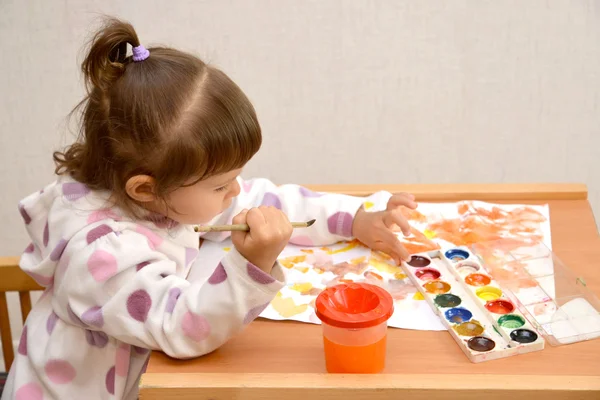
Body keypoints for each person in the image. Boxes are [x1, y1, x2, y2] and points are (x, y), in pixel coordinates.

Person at [2, 17, 416, 400]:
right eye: (220, 184)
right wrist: (250, 267)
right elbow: (183, 327)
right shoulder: (101, 257)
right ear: (146, 188)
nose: (234, 189)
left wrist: (354, 217)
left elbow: (259, 199)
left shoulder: (162, 195)